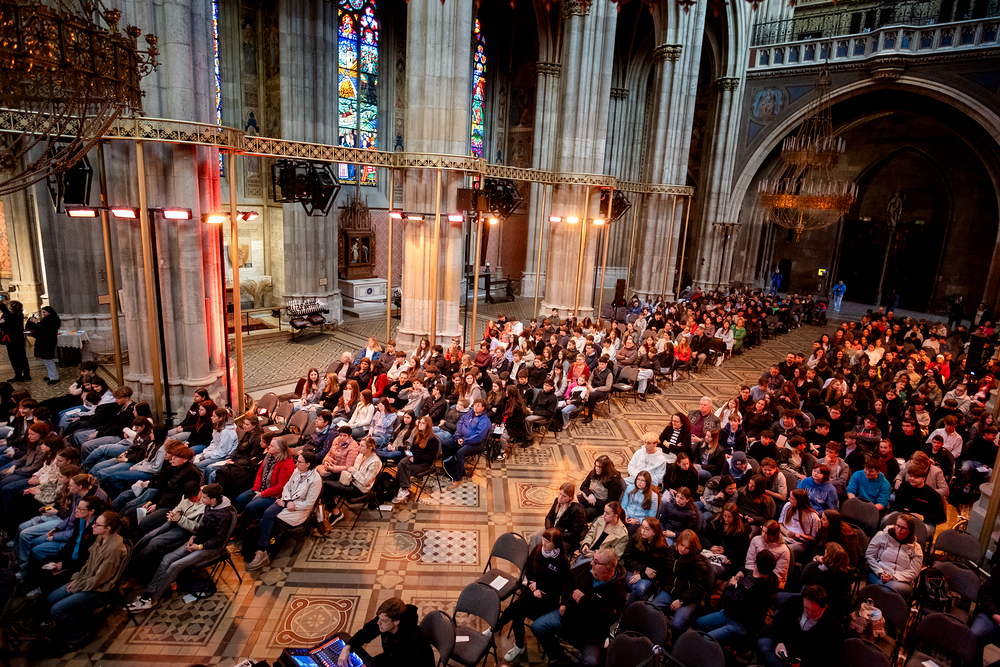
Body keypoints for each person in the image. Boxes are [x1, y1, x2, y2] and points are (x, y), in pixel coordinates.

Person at [127, 483, 235, 610]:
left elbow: (219, 540)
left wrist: (199, 547)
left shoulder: (223, 514)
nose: (201, 499)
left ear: (213, 499)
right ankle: (148, 593)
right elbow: (202, 528)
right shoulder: (209, 506)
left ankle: (153, 598)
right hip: (198, 541)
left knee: (175, 565)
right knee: (167, 558)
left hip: (210, 548)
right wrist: (193, 537)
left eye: (204, 497)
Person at [41, 510, 127, 652]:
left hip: (102, 589)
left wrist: (78, 585)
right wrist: (77, 579)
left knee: (57, 610)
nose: (93, 526)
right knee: (51, 598)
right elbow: (89, 565)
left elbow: (100, 579)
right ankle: (68, 626)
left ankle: (77, 638)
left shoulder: (113, 549)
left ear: (108, 528)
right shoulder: (100, 538)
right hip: (88, 581)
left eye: (97, 525)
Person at [529, 547, 627, 667]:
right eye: (593, 559)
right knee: (538, 627)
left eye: (596, 562)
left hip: (592, 634)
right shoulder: (586, 569)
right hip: (569, 617)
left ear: (607, 568)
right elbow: (568, 582)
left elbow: (606, 618)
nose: (591, 563)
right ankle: (561, 658)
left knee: (591, 663)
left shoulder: (618, 592)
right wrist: (564, 603)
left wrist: (583, 601)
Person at [498, 528, 571, 663]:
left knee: (517, 609)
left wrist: (539, 586)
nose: (544, 543)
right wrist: (533, 586)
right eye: (543, 539)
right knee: (518, 613)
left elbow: (560, 586)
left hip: (547, 598)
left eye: (548, 542)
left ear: (556, 544)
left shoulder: (562, 561)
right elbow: (528, 568)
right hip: (532, 589)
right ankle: (518, 645)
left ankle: (496, 627)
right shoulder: (538, 549)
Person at [246, 451, 323, 570]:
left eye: (299, 462)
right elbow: (286, 487)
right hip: (286, 501)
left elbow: (308, 504)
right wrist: (287, 500)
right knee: (267, 514)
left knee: (265, 522)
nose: (296, 464)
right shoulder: (297, 471)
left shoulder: (315, 480)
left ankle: (263, 551)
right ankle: (264, 550)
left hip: (298, 509)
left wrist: (289, 503)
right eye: (297, 461)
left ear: (308, 464)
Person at [695, 549, 779, 646]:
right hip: (730, 614)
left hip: (743, 625)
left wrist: (731, 585)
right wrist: (742, 571)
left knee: (707, 638)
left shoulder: (758, 589)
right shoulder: (768, 577)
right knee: (700, 622)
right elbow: (748, 571)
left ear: (755, 562)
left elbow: (728, 599)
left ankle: (714, 651)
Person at [756, 585, 841, 667]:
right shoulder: (793, 602)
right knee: (763, 643)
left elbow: (828, 658)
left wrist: (803, 662)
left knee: (766, 658)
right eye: (806, 608)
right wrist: (780, 642)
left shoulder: (832, 626)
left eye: (814, 611)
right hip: (783, 648)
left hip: (805, 661)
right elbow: (776, 626)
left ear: (825, 607)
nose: (809, 613)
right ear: (803, 600)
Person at [338, 597, 434, 667]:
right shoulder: (385, 621)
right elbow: (366, 632)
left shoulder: (414, 640)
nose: (378, 623)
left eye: (383, 620)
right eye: (379, 618)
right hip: (392, 657)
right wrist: (348, 647)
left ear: (396, 621)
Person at [650, 529, 710, 633]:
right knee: (650, 611)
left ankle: (676, 641)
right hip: (669, 591)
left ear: (692, 548)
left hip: (688, 598)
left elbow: (698, 588)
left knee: (677, 625)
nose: (682, 549)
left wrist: (681, 600)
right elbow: (662, 570)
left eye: (687, 548)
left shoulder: (698, 562)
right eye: (681, 545)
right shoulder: (671, 551)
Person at [323, 437, 383, 526]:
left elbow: (365, 482)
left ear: (369, 448)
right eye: (359, 445)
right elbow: (353, 470)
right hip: (351, 481)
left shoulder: (375, 462)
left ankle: (334, 511)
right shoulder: (360, 456)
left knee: (325, 485)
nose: (359, 448)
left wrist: (354, 472)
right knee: (326, 480)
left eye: (361, 446)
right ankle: (333, 510)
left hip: (359, 489)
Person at [865, 513, 923, 597]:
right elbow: (869, 555)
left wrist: (893, 577)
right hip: (878, 574)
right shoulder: (882, 535)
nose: (899, 530)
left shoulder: (916, 548)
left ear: (910, 530)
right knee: (885, 587)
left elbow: (914, 572)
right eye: (897, 526)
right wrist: (880, 572)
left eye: (903, 528)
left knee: (890, 587)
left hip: (901, 580)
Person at [443, 398, 491, 488]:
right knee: (446, 444)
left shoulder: (484, 420)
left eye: (478, 406)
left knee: (460, 452)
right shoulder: (469, 414)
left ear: (483, 408)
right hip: (462, 439)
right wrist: (458, 436)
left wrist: (465, 441)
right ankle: (450, 469)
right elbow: (460, 424)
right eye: (475, 405)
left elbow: (479, 437)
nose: (475, 407)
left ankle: (458, 479)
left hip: (476, 444)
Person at [391, 417, 439, 504]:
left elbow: (431, 457)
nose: (420, 424)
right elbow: (413, 449)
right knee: (401, 464)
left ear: (428, 426)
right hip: (413, 459)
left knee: (401, 470)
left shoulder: (433, 440)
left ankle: (402, 490)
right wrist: (410, 453)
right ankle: (402, 490)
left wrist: (415, 459)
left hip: (424, 463)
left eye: (423, 423)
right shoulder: (417, 436)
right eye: (420, 422)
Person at [622, 517, 668, 604]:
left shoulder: (662, 545)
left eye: (647, 529)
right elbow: (627, 557)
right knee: (638, 590)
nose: (643, 531)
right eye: (642, 527)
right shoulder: (636, 537)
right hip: (632, 570)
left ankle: (627, 610)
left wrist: (642, 575)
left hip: (649, 575)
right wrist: (644, 568)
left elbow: (661, 568)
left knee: (640, 589)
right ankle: (643, 602)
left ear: (654, 532)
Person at [542, 482, 588, 554]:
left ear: (570, 497)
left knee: (552, 548)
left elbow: (575, 533)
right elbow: (549, 517)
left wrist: (557, 534)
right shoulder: (557, 501)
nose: (560, 497)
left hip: (566, 538)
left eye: (564, 496)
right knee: (535, 538)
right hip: (553, 531)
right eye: (560, 494)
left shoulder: (577, 510)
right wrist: (550, 530)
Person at [577, 454, 625, 521]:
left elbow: (609, 504)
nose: (596, 468)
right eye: (596, 465)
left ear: (606, 469)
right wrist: (590, 494)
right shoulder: (594, 472)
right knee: (572, 505)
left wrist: (593, 500)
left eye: (599, 467)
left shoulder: (615, 483)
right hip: (590, 498)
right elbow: (583, 486)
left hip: (601, 507)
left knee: (581, 515)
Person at [746, 520, 792, 587]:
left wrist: (760, 581)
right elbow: (749, 563)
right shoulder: (755, 540)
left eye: (767, 533)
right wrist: (753, 579)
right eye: (762, 531)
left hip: (769, 584)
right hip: (752, 577)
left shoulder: (784, 550)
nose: (763, 535)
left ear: (774, 535)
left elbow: (779, 575)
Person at [0, 299, 29, 382]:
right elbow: (7, 313)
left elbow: (6, 324)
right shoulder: (18, 315)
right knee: (23, 357)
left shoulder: (11, 317)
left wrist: (0, 323)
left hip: (11, 340)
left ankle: (18, 375)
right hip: (19, 339)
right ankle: (26, 374)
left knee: (14, 358)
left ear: (12, 308)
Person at [31, 306, 61, 384]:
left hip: (48, 342)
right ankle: (51, 375)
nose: (43, 314)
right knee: (46, 360)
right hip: (43, 342)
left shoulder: (53, 320)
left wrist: (37, 323)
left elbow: (47, 329)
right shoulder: (46, 319)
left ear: (49, 312)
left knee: (49, 360)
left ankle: (54, 377)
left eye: (44, 312)